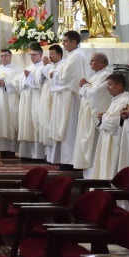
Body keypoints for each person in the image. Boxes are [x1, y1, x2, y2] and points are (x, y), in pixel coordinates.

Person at [47, 31, 86, 168]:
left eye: (65, 41)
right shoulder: (72, 56)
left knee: (69, 128)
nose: (63, 44)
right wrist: (56, 73)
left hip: (70, 97)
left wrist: (55, 75)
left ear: (74, 42)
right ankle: (65, 159)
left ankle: (69, 160)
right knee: (65, 127)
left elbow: (66, 77)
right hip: (64, 96)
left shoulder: (76, 56)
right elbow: (61, 73)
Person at [73, 52, 112, 176]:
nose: (90, 63)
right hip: (87, 113)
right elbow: (84, 91)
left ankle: (94, 173)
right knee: (87, 144)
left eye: (93, 61)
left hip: (94, 114)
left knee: (93, 144)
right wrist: (86, 86)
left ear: (102, 62)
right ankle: (88, 173)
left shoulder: (107, 74)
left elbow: (95, 93)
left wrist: (85, 85)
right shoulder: (96, 75)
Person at [91, 72, 129, 179]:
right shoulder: (116, 100)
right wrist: (104, 117)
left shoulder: (125, 101)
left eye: (110, 84)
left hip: (115, 142)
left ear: (120, 85)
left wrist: (104, 117)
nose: (107, 88)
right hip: (108, 140)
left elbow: (114, 123)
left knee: (111, 169)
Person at [0, 49, 22, 155]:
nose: (3, 58)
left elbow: (19, 83)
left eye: (6, 56)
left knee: (10, 123)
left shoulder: (17, 69)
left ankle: (11, 149)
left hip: (10, 101)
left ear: (11, 56)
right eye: (1, 56)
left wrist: (6, 83)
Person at [16, 43, 46, 160]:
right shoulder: (28, 67)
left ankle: (38, 154)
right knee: (26, 124)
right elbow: (19, 83)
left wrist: (30, 77)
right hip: (26, 100)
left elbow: (41, 83)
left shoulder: (43, 67)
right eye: (31, 55)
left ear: (41, 54)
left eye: (34, 54)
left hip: (37, 99)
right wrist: (26, 79)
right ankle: (26, 153)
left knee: (36, 123)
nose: (32, 57)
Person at [39, 44, 63, 156]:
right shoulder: (51, 65)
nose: (50, 56)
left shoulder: (62, 65)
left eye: (52, 53)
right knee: (46, 120)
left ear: (59, 54)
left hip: (56, 98)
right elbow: (44, 76)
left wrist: (47, 66)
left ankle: (55, 154)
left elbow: (53, 75)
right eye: (49, 54)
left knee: (52, 122)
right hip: (46, 95)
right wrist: (46, 66)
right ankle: (48, 154)